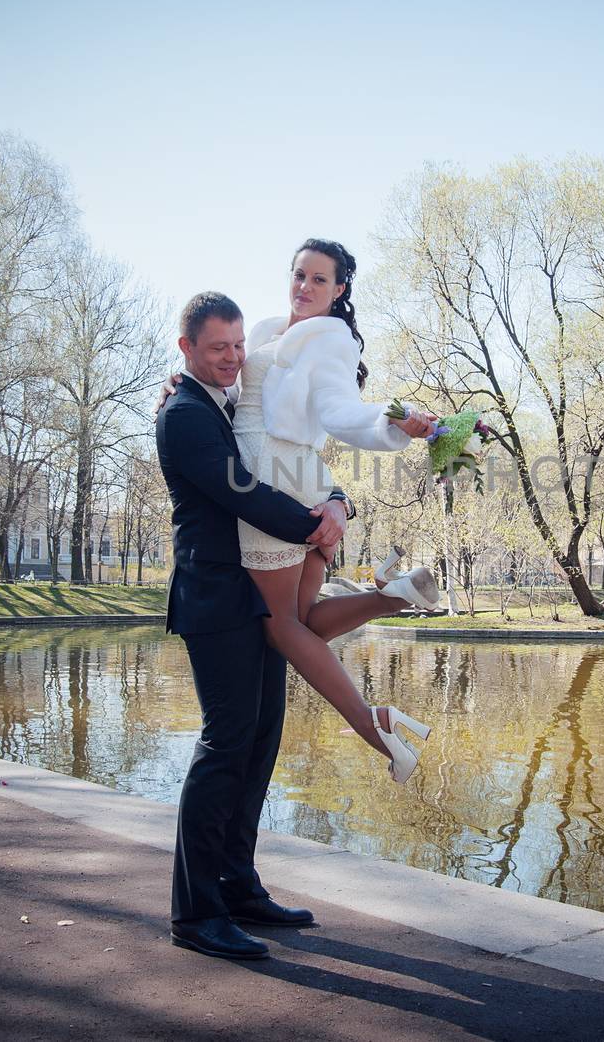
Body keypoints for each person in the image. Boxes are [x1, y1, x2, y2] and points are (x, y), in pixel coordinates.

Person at [156, 290, 433, 962]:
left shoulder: (230, 399)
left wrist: (335, 498)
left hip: (254, 595)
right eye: (217, 347)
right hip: (217, 601)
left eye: (238, 344)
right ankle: (196, 913)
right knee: (224, 748)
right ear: (186, 349)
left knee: (259, 745)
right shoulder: (184, 414)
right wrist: (320, 524)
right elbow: (242, 491)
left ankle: (238, 884)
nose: (232, 357)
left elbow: (293, 445)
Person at [163, 239, 443, 785]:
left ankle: (373, 725)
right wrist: (179, 377)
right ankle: (391, 596)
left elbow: (340, 412)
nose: (304, 288)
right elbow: (219, 372)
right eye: (299, 275)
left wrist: (393, 421)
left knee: (280, 626)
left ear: (339, 290)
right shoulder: (267, 330)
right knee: (305, 619)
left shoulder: (329, 341)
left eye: (319, 280)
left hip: (273, 478)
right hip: (303, 479)